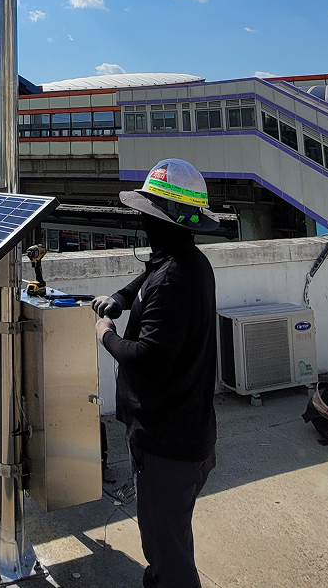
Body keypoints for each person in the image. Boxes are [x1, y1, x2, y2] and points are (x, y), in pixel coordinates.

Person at [93, 158, 219, 588]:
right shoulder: (188, 262)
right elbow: (148, 279)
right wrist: (121, 298)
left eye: (148, 213)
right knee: (170, 539)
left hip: (169, 447)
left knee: (169, 553)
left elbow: (147, 356)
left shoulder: (172, 280)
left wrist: (105, 333)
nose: (143, 222)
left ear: (161, 221)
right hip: (188, 436)